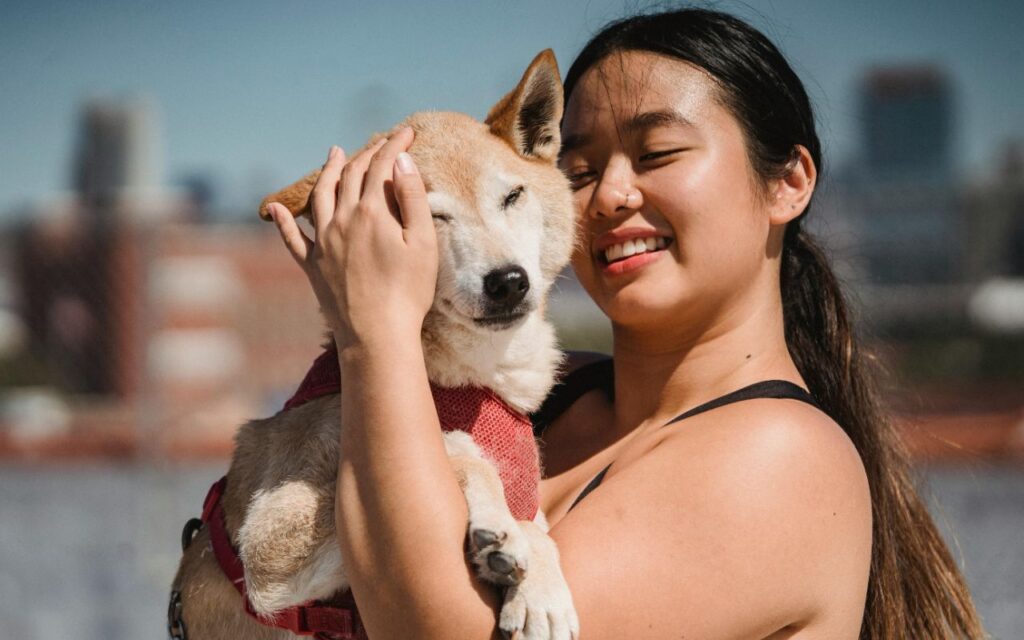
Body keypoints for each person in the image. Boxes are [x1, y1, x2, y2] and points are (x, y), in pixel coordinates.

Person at [265, 8, 985, 639]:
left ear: (789, 181)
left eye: (657, 153)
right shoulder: (540, 392)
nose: (607, 195)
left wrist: (372, 336)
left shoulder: (780, 459)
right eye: (576, 167)